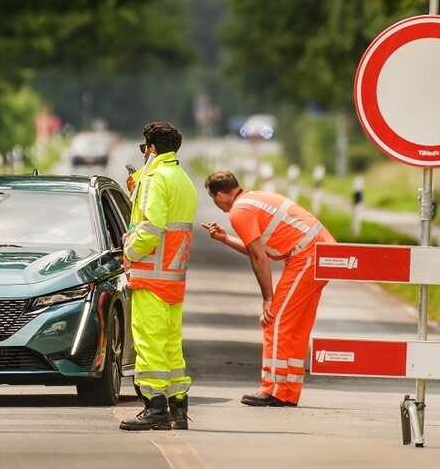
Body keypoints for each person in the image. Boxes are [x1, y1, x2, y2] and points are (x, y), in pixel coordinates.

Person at [202, 170, 335, 407]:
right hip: (323, 253)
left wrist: (268, 299)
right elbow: (258, 249)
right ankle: (288, 391)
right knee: (296, 326)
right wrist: (225, 239)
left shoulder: (239, 212)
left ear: (220, 195)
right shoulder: (254, 198)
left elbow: (258, 257)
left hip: (306, 255)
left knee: (274, 320)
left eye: (213, 199)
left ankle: (272, 388)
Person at [119, 122, 198, 431]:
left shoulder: (155, 178)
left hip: (150, 275)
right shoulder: (182, 178)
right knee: (170, 345)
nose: (142, 154)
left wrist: (129, 252)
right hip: (173, 276)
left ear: (151, 148)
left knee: (149, 343)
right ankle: (178, 407)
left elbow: (152, 227)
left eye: (143, 148)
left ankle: (155, 409)